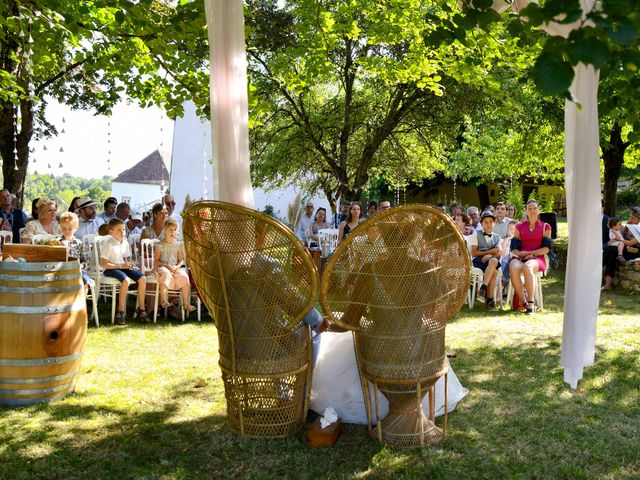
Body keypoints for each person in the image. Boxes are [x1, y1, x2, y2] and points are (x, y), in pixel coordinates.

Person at [310, 217, 468, 423]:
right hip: (420, 354)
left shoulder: (369, 270)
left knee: (343, 347)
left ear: (384, 241)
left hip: (378, 355)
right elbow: (434, 314)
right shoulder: (427, 269)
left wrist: (323, 324)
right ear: (412, 240)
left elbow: (350, 321)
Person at [100, 218, 149, 324]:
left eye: (123, 229)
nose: (122, 232)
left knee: (142, 278)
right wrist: (122, 266)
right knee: (126, 280)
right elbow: (104, 264)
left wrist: (128, 264)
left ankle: (142, 309)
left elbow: (126, 260)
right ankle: (120, 311)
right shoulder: (108, 244)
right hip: (110, 269)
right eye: (119, 230)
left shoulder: (125, 242)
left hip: (122, 267)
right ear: (111, 231)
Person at [509, 199, 551, 314]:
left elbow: (546, 249)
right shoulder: (519, 226)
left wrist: (530, 254)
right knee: (512, 266)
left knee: (528, 266)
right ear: (526, 211)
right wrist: (519, 253)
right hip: (521, 256)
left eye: (534, 208)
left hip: (538, 258)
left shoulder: (545, 226)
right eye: (529, 209)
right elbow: (514, 247)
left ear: (538, 210)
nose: (532, 211)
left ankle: (531, 303)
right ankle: (523, 302)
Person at [153, 218, 196, 312]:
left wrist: (177, 266)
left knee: (184, 276)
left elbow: (181, 260)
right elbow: (156, 260)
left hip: (175, 267)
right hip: (163, 267)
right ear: (165, 230)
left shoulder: (178, 244)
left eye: (175, 230)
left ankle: (186, 303)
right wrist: (166, 265)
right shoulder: (160, 245)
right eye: (170, 229)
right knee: (166, 274)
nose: (173, 232)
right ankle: (163, 300)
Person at [469, 211, 501, 311]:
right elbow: (473, 253)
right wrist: (490, 252)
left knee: (494, 265)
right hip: (479, 260)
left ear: (494, 223)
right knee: (494, 268)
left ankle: (483, 287)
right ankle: (489, 302)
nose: (488, 224)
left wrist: (491, 255)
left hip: (491, 261)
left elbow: (498, 254)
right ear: (481, 223)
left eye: (491, 222)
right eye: (486, 222)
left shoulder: (497, 237)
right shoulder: (476, 234)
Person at [602, 206, 640, 290]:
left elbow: (630, 243)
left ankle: (597, 267)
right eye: (630, 216)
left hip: (633, 251)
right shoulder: (628, 225)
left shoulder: (639, 229)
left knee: (611, 248)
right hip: (622, 249)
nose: (630, 219)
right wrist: (614, 229)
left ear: (639, 220)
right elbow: (619, 233)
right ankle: (607, 285)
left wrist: (614, 241)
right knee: (612, 253)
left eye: (632, 218)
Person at [58, 212, 93, 292]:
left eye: (70, 228)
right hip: (61, 269)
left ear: (75, 228)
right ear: (60, 227)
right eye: (63, 228)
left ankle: (82, 303)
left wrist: (81, 266)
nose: (66, 231)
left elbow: (87, 262)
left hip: (77, 269)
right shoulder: (57, 242)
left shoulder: (79, 243)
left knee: (84, 280)